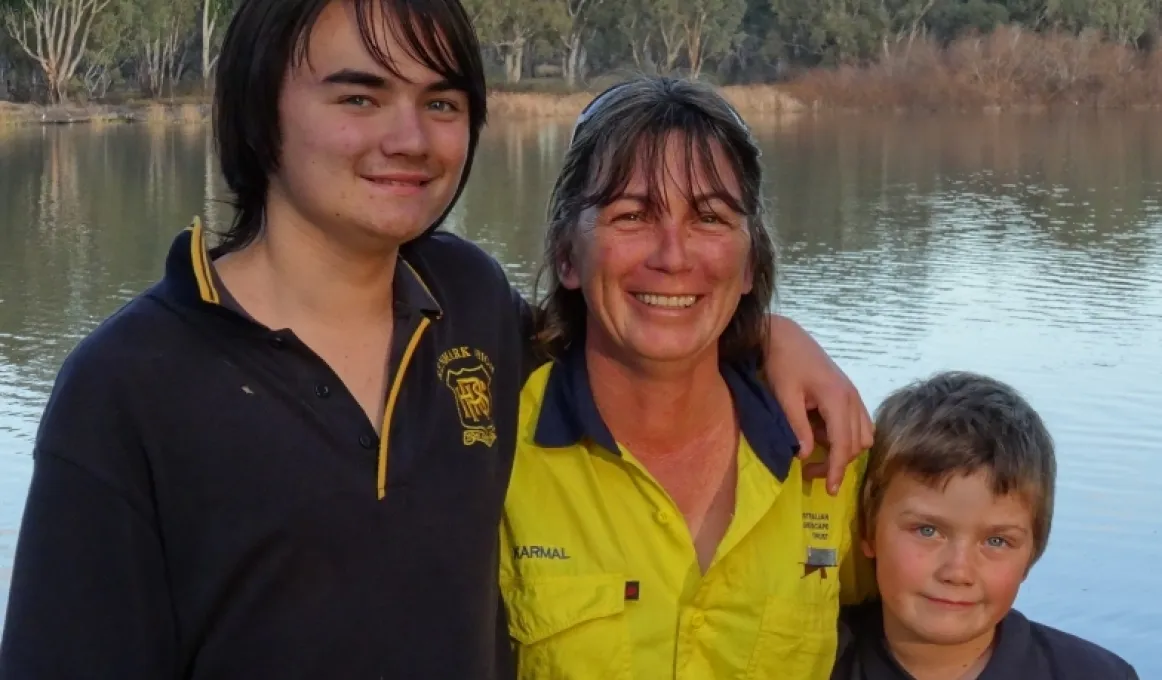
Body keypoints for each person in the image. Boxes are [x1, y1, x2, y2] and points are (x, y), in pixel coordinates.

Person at [0, 2, 870, 679]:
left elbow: (643, 323)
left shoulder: (469, 309)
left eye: (441, 102)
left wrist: (766, 336)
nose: (409, 139)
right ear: (263, 107)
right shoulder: (129, 386)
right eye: (359, 95)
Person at [499, 76, 876, 679]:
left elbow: (945, 636)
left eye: (709, 217)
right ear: (568, 256)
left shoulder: (831, 456)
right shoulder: (493, 457)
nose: (673, 256)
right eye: (632, 214)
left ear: (751, 262)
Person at [832, 371, 1139, 679]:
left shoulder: (1098, 674)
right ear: (868, 529)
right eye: (927, 530)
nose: (958, 572)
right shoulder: (806, 661)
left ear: (1032, 553)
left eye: (996, 541)